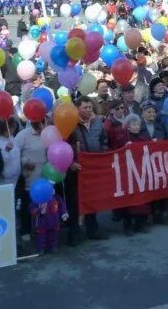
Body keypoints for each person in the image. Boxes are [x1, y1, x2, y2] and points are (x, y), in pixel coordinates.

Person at [65, 97, 109, 244]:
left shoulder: (97, 122)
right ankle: (74, 232)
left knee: (92, 199)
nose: (89, 110)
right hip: (76, 168)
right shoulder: (70, 123)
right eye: (85, 108)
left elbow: (104, 141)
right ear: (77, 108)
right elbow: (62, 146)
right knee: (74, 201)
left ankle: (92, 229)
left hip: (93, 168)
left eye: (90, 107)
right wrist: (70, 163)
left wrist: (102, 155)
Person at [14, 114, 47, 236]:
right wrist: (25, 161)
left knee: (43, 204)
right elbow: (14, 154)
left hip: (45, 176)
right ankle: (26, 230)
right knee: (27, 204)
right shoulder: (23, 136)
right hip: (28, 177)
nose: (43, 125)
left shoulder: (47, 134)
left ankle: (42, 229)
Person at [0, 118, 21, 186]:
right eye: (12, 128)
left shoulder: (12, 138)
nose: (14, 130)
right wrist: (6, 151)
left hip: (14, 181)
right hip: (1, 182)